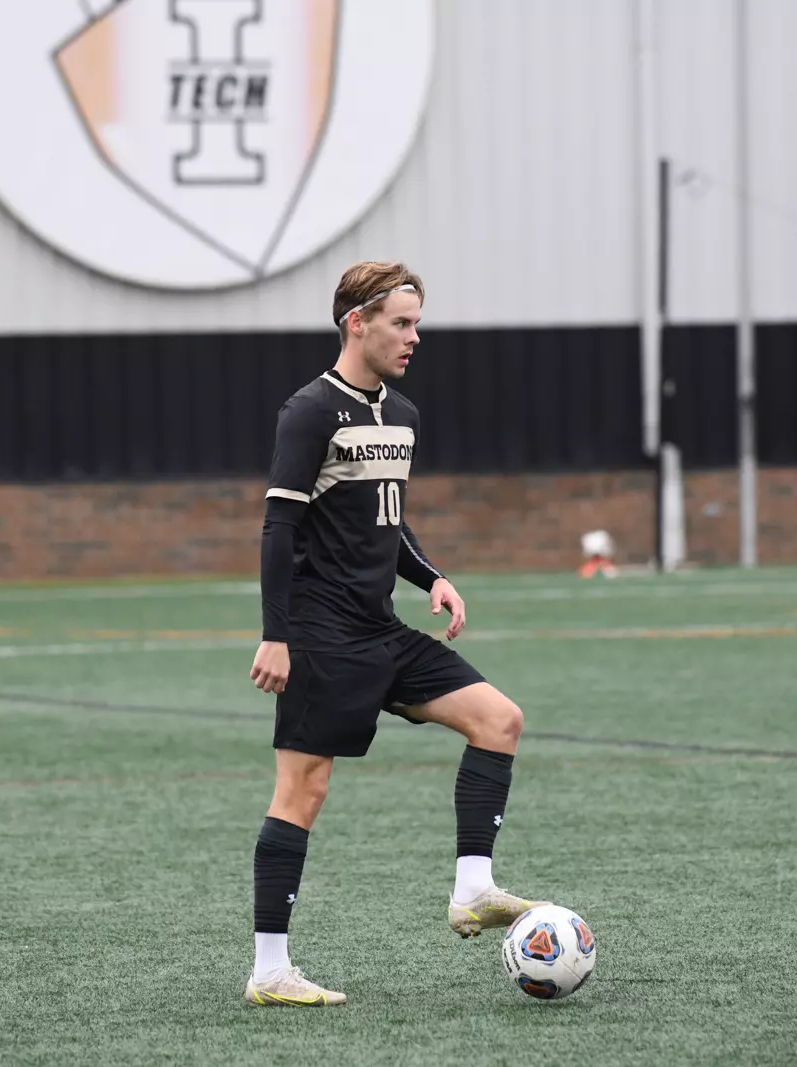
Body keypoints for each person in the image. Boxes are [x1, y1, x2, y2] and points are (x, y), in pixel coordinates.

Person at [243, 261, 545, 1007]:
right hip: (320, 636)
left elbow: (387, 519)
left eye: (417, 323)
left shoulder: (402, 414)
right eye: (401, 323)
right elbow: (279, 527)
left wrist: (431, 576)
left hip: (380, 628)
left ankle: (473, 888)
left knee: (499, 719)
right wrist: (276, 635)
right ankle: (269, 971)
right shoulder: (309, 411)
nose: (414, 337)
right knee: (302, 791)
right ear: (358, 323)